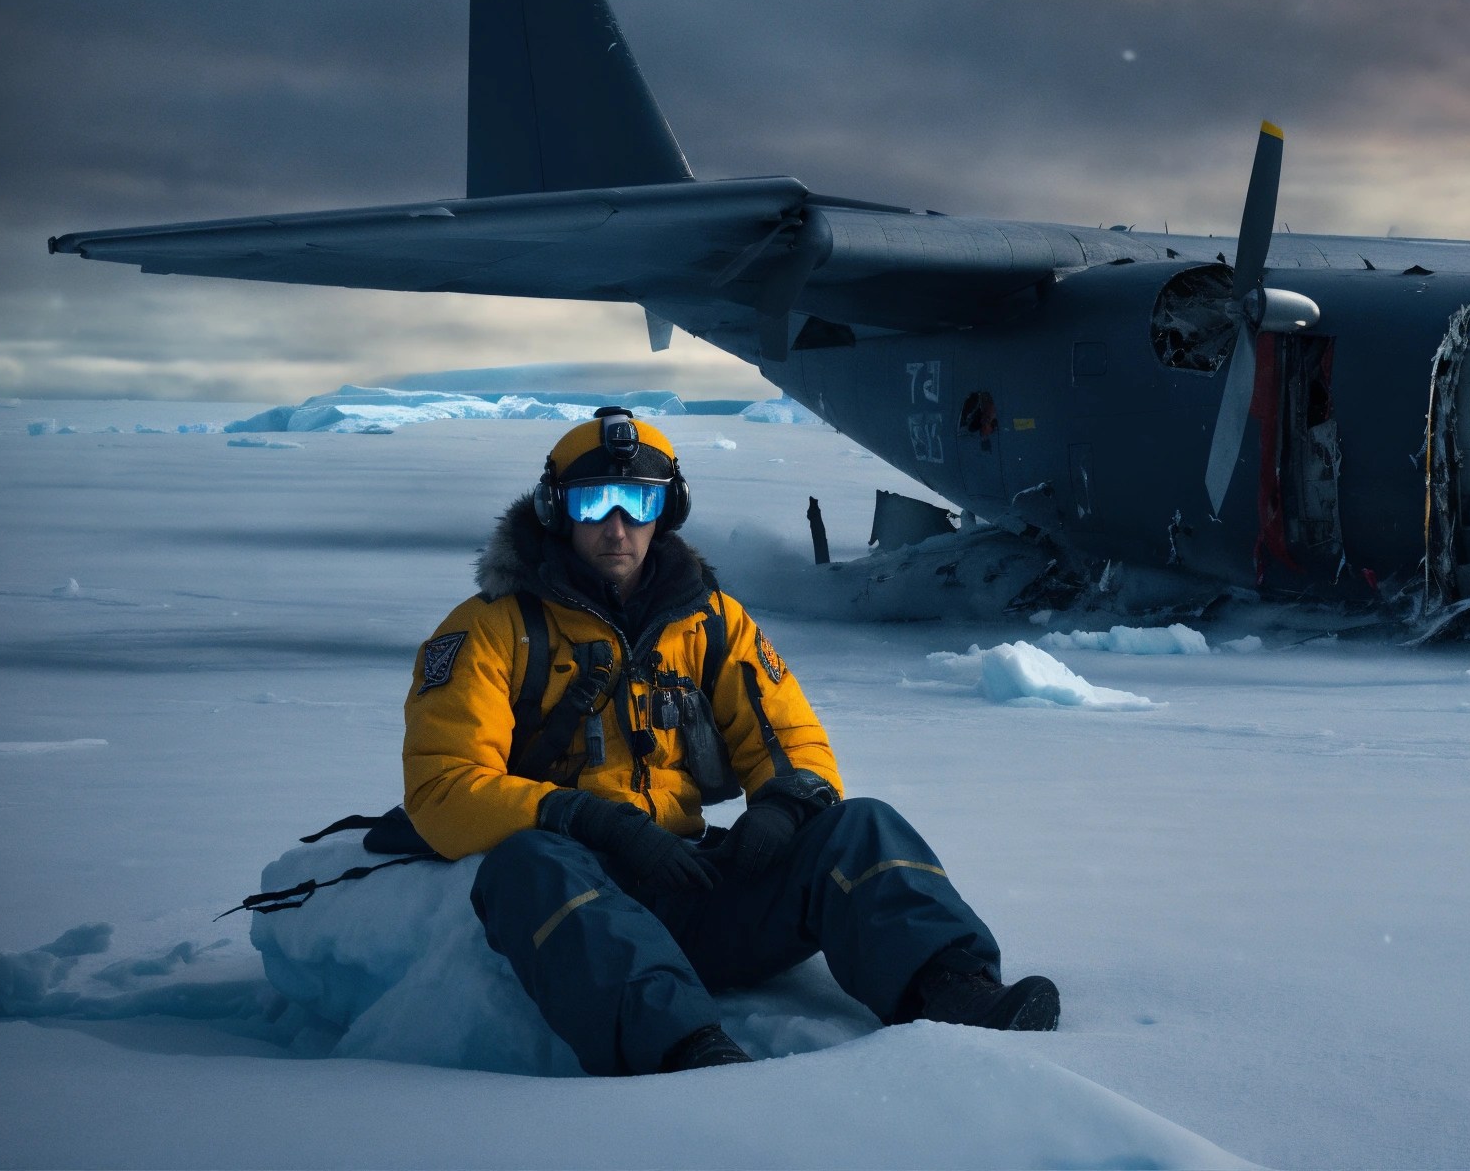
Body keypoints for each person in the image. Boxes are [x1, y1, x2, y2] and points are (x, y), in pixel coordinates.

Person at [401, 407, 1056, 1075]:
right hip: (581, 889)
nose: (618, 525)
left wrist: (781, 808)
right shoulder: (489, 631)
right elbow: (442, 787)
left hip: (687, 877)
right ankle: (685, 1047)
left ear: (669, 508)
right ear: (557, 510)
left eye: (640, 500)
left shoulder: (711, 621)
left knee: (857, 826)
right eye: (596, 501)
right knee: (526, 866)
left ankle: (950, 986)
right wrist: (592, 819)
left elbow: (792, 739)